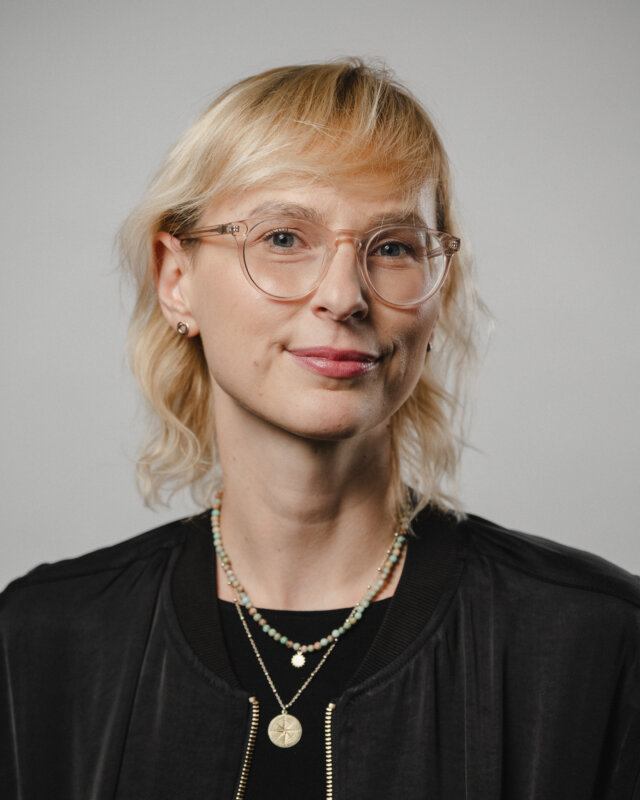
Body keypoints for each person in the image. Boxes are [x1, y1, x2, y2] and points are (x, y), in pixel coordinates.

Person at [1, 60, 639, 800]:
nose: (343, 296)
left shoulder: (598, 640)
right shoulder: (41, 639)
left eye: (393, 247)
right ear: (176, 280)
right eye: (282, 237)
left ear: (438, 294)